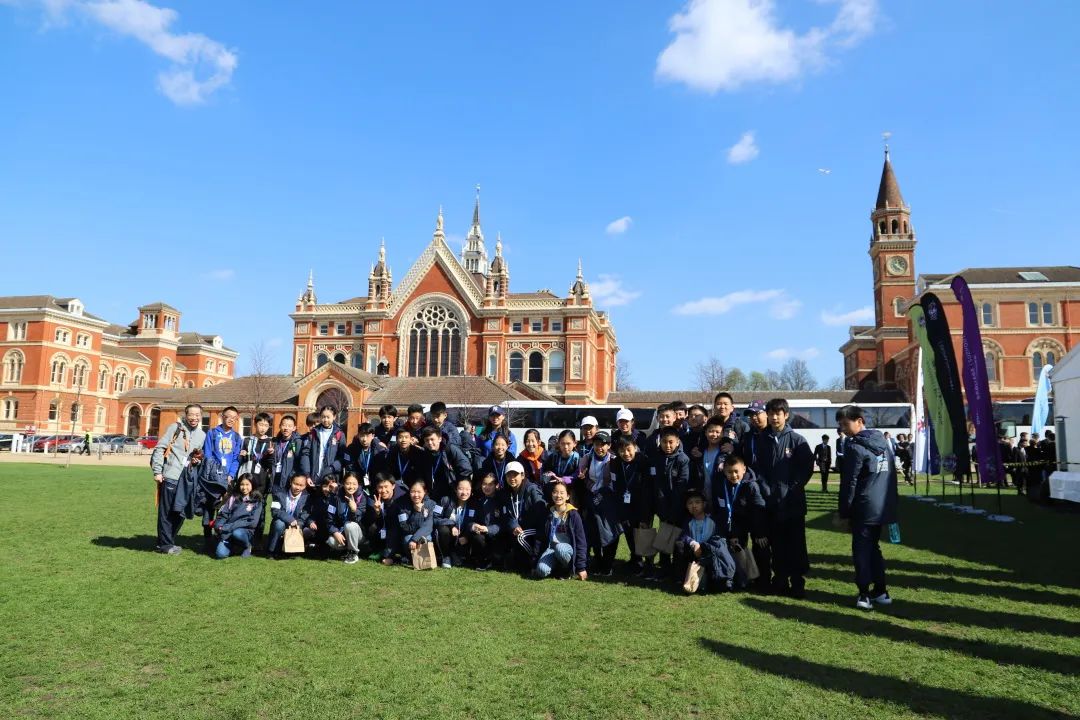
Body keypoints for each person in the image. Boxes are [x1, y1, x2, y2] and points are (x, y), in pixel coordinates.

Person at [837, 404, 898, 610]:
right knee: (873, 548)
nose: (843, 429)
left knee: (861, 551)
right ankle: (881, 591)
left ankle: (864, 594)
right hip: (881, 506)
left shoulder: (855, 446)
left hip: (864, 507)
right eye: (841, 425)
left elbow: (849, 483)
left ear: (860, 421)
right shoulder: (884, 442)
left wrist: (844, 512)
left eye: (846, 424)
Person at [753, 398, 814, 598]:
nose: (773, 417)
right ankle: (780, 580)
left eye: (778, 413)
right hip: (772, 504)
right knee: (777, 545)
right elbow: (758, 469)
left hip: (793, 504)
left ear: (786, 415)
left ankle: (797, 583)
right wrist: (765, 489)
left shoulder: (797, 440)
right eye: (770, 413)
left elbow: (806, 470)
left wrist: (793, 489)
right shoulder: (762, 440)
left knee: (796, 546)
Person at [150, 403, 206, 554]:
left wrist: (197, 460)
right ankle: (166, 545)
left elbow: (198, 455)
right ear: (185, 415)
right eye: (191, 414)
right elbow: (160, 448)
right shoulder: (175, 428)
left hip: (187, 479)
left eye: (197, 415)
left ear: (201, 416)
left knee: (180, 512)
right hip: (171, 476)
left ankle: (165, 541)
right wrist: (157, 471)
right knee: (166, 512)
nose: (194, 418)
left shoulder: (202, 435)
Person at [718, 453, 768, 589]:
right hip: (730, 527)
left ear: (744, 469)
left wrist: (760, 533)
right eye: (729, 472)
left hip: (748, 526)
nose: (733, 475)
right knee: (732, 552)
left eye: (736, 471)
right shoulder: (722, 485)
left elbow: (759, 511)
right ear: (724, 471)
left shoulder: (752, 486)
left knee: (754, 550)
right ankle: (737, 579)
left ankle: (760, 580)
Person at [675, 488, 734, 593]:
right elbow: (683, 536)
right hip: (693, 551)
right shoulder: (688, 522)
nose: (694, 506)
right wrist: (693, 543)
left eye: (697, 502)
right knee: (679, 545)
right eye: (690, 503)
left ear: (704, 504)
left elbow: (718, 537)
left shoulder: (712, 520)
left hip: (708, 552)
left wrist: (704, 547)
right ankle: (682, 577)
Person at [201, 406, 243, 552]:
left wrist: (231, 475)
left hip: (228, 479)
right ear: (222, 416)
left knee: (224, 509)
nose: (231, 419)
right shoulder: (212, 433)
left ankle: (220, 537)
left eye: (234, 417)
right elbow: (208, 455)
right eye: (228, 416)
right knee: (209, 508)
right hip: (212, 477)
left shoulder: (237, 437)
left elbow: (237, 459)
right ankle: (207, 539)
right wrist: (214, 473)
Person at [611, 437, 655, 576]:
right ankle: (636, 560)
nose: (626, 453)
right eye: (622, 450)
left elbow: (649, 486)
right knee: (629, 533)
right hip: (624, 504)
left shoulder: (644, 461)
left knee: (644, 533)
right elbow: (615, 484)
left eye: (629, 449)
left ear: (635, 447)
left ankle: (649, 564)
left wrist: (646, 508)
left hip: (643, 503)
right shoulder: (616, 463)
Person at [579, 431, 620, 576]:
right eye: (597, 444)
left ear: (609, 445)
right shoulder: (587, 458)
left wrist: (603, 492)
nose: (599, 448)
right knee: (594, 531)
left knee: (609, 532)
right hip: (592, 500)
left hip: (609, 502)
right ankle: (598, 562)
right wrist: (591, 486)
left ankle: (608, 564)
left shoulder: (614, 460)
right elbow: (583, 478)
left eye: (603, 445)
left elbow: (616, 481)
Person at [653, 426, 690, 581]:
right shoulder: (656, 458)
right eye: (664, 442)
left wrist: (674, 510)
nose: (667, 445)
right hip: (662, 507)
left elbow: (682, 486)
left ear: (677, 442)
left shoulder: (683, 460)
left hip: (678, 508)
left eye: (670, 442)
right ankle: (664, 569)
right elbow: (656, 483)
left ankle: (678, 572)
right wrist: (662, 508)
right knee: (664, 540)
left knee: (678, 542)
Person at [531, 481, 588, 580]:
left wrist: (581, 567)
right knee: (541, 570)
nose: (558, 495)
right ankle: (557, 568)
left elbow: (581, 542)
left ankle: (567, 570)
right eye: (555, 492)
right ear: (552, 495)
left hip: (567, 550)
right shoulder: (548, 513)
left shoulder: (573, 515)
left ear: (568, 496)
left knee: (560, 548)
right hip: (551, 549)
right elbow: (539, 538)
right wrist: (534, 563)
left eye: (562, 493)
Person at [498, 460, 545, 572]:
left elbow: (542, 511)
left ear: (522, 475)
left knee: (521, 537)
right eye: (509, 475)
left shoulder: (532, 489)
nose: (512, 478)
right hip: (519, 529)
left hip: (534, 529)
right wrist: (514, 525)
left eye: (515, 475)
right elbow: (506, 515)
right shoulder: (506, 493)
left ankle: (533, 560)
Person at [417, 425, 472, 501]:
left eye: (432, 439)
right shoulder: (425, 453)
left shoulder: (450, 449)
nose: (430, 443)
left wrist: (457, 485)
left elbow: (466, 468)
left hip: (450, 492)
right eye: (427, 440)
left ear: (439, 438)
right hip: (433, 492)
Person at [213, 474, 262, 559]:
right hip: (228, 530)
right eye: (242, 484)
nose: (244, 487)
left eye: (247, 484)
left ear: (252, 485)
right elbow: (224, 514)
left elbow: (253, 523)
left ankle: (247, 546)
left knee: (237, 533)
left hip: (245, 531)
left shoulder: (257, 501)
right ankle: (236, 547)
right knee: (220, 554)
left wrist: (229, 527)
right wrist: (219, 525)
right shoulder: (233, 498)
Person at [267, 473, 313, 556]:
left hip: (297, 524)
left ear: (305, 486)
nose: (298, 487)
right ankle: (272, 551)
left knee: (308, 531)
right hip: (282, 522)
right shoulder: (279, 493)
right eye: (295, 484)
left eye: (301, 485)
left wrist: (296, 524)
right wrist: (290, 520)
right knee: (278, 524)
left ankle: (294, 550)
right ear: (291, 482)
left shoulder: (308, 498)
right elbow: (275, 511)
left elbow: (305, 514)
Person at [300, 405, 349, 484]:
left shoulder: (339, 434)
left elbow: (342, 456)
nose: (325, 420)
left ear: (334, 417)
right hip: (314, 475)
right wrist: (307, 474)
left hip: (332, 476)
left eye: (328, 417)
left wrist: (332, 468)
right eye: (323, 417)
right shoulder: (314, 433)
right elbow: (305, 454)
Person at [690, 416, 732, 507]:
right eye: (711, 431)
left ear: (723, 434)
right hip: (702, 499)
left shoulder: (725, 453)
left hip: (720, 498)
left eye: (718, 432)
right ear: (705, 433)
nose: (714, 435)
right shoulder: (699, 452)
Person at [364, 473, 406, 563]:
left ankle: (393, 554)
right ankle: (377, 550)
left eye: (386, 486)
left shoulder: (402, 497)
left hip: (398, 529)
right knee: (372, 528)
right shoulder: (373, 498)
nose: (383, 490)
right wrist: (377, 512)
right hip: (383, 528)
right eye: (380, 487)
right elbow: (369, 520)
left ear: (393, 486)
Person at [396, 479, 437, 566]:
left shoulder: (431, 504)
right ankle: (411, 559)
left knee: (427, 539)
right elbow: (404, 527)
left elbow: (428, 526)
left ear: (424, 492)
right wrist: (417, 512)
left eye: (419, 492)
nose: (416, 495)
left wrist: (415, 539)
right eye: (413, 492)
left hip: (424, 534)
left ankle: (425, 561)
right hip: (410, 535)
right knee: (407, 539)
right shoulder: (402, 506)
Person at [435, 476, 473, 568]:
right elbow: (435, 517)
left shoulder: (474, 504)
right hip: (448, 536)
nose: (464, 492)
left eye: (467, 489)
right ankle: (446, 556)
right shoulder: (445, 500)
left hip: (463, 538)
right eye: (461, 489)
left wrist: (467, 536)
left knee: (459, 562)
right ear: (456, 489)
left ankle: (458, 555)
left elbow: (475, 522)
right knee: (443, 529)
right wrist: (451, 525)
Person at [466, 472, 502, 570]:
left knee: (498, 558)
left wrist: (488, 529)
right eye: (484, 484)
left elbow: (503, 523)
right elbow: (470, 520)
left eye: (490, 484)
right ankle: (481, 561)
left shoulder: (501, 501)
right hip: (482, 535)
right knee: (477, 538)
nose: (487, 487)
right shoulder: (478, 501)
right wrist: (474, 526)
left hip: (497, 536)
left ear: (496, 485)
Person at [331, 472, 366, 564]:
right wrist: (335, 532)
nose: (351, 487)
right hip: (342, 532)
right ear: (343, 483)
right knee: (331, 541)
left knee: (350, 525)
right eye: (348, 483)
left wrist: (354, 510)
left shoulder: (362, 498)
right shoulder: (336, 496)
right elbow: (329, 518)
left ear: (358, 484)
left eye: (354, 484)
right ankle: (346, 551)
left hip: (358, 535)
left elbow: (358, 520)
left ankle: (353, 553)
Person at [345, 422, 386, 495]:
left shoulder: (380, 450)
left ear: (373, 436)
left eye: (367, 436)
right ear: (358, 435)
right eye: (362, 435)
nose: (364, 439)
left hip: (376, 485)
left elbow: (383, 471)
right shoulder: (351, 449)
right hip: (357, 484)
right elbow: (350, 468)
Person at [540, 429, 579, 501]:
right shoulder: (553, 456)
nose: (565, 447)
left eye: (568, 443)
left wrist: (563, 480)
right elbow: (544, 470)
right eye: (563, 443)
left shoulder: (577, 458)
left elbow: (577, 475)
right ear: (558, 443)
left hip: (570, 490)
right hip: (555, 489)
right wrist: (550, 475)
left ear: (574, 443)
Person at [269, 415, 303, 495]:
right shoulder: (275, 441)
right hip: (275, 475)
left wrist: (292, 475)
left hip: (289, 478)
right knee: (275, 503)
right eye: (284, 425)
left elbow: (299, 461)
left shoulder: (297, 442)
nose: (286, 428)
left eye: (289, 426)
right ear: (280, 426)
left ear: (294, 428)